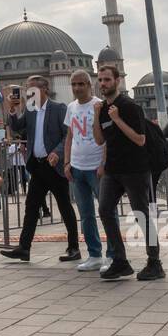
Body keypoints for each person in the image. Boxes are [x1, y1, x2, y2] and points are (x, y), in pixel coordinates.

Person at [93, 65, 164, 281]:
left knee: (140, 213)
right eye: (100, 80)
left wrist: (117, 120)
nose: (103, 84)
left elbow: (140, 139)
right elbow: (99, 140)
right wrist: (97, 116)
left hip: (134, 169)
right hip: (113, 169)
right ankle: (120, 261)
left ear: (117, 81)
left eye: (107, 80)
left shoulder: (129, 106)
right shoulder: (103, 108)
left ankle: (155, 262)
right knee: (105, 210)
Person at [1, 75, 79, 262]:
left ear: (45, 89)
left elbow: (67, 134)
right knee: (31, 207)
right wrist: (12, 109)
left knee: (64, 205)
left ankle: (74, 247)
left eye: (32, 89)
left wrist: (57, 152)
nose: (29, 92)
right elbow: (18, 127)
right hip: (37, 166)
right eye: (28, 89)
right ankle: (24, 248)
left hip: (54, 166)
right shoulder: (30, 109)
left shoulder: (59, 108)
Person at [61, 70, 112, 271]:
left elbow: (107, 138)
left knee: (107, 211)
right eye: (74, 84)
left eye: (81, 84)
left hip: (96, 168)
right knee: (86, 214)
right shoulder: (71, 107)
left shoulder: (99, 105)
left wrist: (103, 164)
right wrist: (67, 163)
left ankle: (113, 255)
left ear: (89, 85)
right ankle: (94, 255)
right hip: (77, 168)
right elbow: (70, 136)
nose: (77, 88)